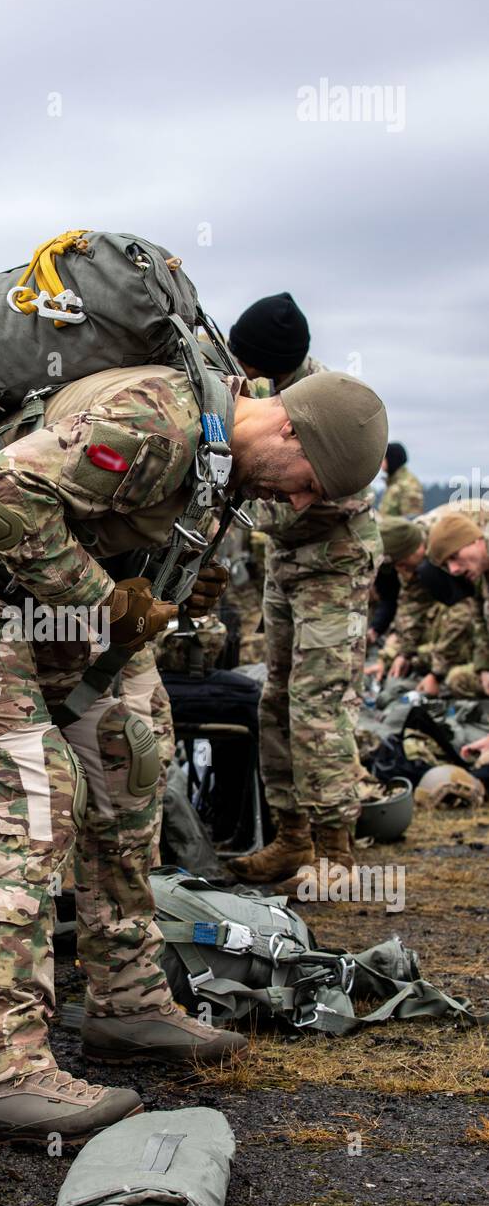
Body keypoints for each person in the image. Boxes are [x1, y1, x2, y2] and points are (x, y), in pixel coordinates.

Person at [0, 353, 388, 1143]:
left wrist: (151, 592)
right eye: (306, 479)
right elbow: (5, 490)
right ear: (286, 424)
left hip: (23, 588)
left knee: (130, 752)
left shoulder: (219, 460)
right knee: (35, 787)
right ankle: (4, 1066)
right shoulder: (155, 418)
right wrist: (102, 601)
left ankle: (128, 1000)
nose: (297, 501)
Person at [223, 294, 384, 893]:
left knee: (319, 707)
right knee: (276, 700)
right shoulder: (259, 392)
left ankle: (336, 856)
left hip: (333, 568)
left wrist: (241, 510)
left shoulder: (332, 411)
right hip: (286, 568)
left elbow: (315, 502)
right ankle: (293, 839)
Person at [370, 518, 476, 694]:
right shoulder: (413, 564)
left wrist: (437, 673)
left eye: (401, 563)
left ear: (415, 550)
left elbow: (464, 610)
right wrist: (401, 654)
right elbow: (411, 610)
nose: (400, 569)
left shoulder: (446, 549)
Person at [428, 512, 489, 705]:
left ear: (476, 541)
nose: (454, 570)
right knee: (458, 679)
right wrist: (484, 667)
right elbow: (480, 623)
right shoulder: (481, 578)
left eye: (454, 556)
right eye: (447, 565)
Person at [377, 442, 423, 518]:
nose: (381, 462)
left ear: (392, 459)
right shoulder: (393, 483)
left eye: (384, 458)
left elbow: (410, 520)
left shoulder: (409, 484)